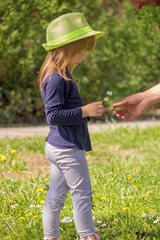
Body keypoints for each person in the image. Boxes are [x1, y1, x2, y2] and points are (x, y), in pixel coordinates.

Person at [39, 12, 106, 240]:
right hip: (68, 150)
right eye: (81, 52)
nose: (83, 58)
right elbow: (54, 115)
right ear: (65, 49)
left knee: (56, 197)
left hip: (57, 146)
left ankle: (51, 237)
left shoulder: (58, 74)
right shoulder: (58, 78)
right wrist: (85, 111)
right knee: (82, 195)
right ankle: (88, 235)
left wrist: (86, 112)